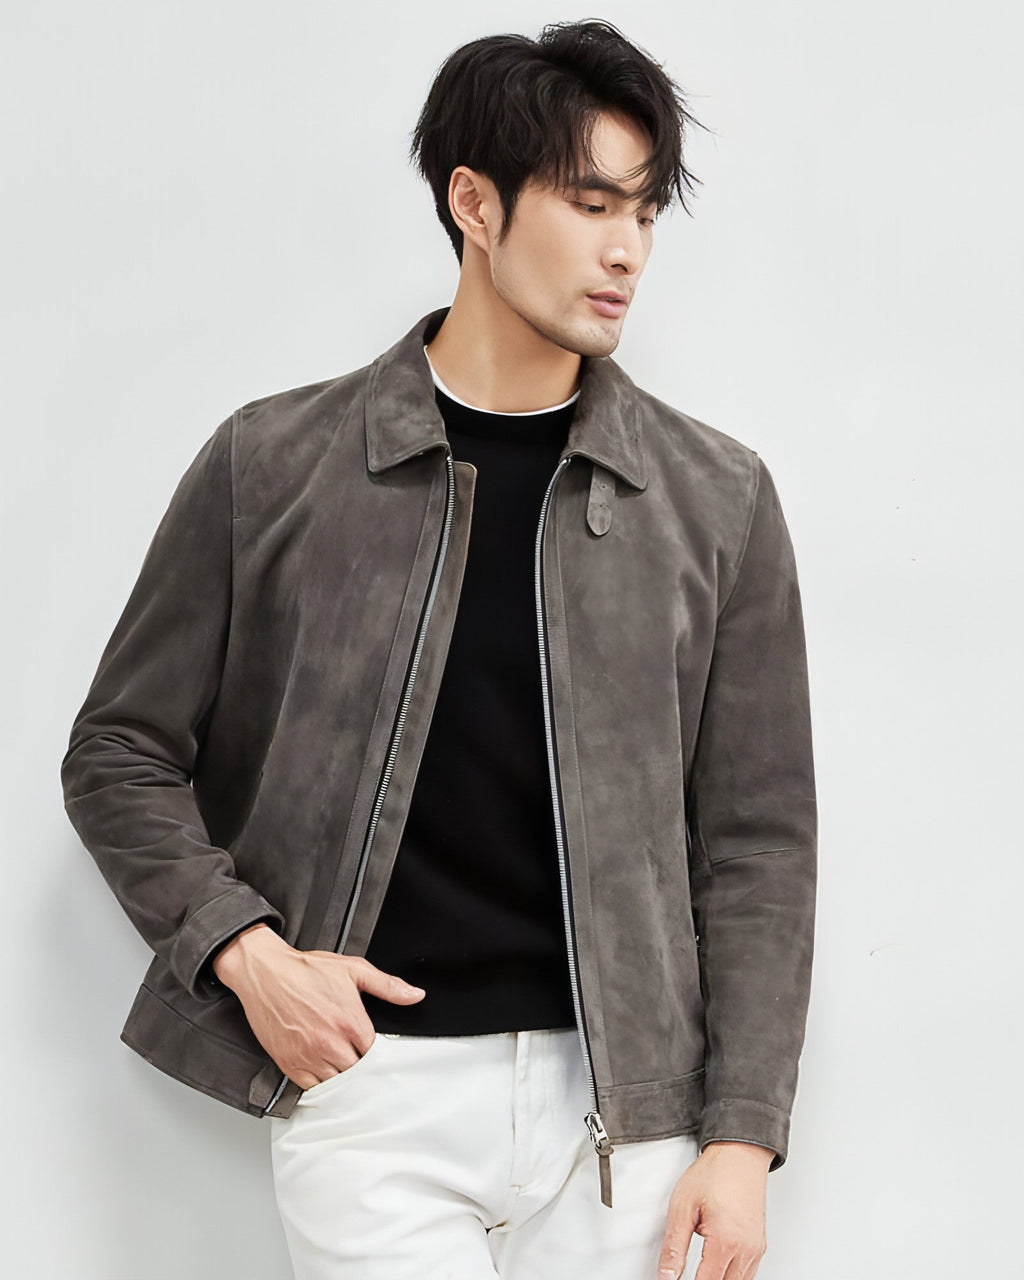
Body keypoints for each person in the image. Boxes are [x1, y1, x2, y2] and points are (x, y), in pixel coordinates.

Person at [61, 19, 816, 1280]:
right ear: (474, 202)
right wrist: (248, 954)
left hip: (627, 1117)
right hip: (375, 1099)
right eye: (590, 204)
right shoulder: (275, 466)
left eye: (643, 213)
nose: (626, 249)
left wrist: (740, 1133)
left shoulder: (713, 498)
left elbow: (757, 840)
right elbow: (118, 751)